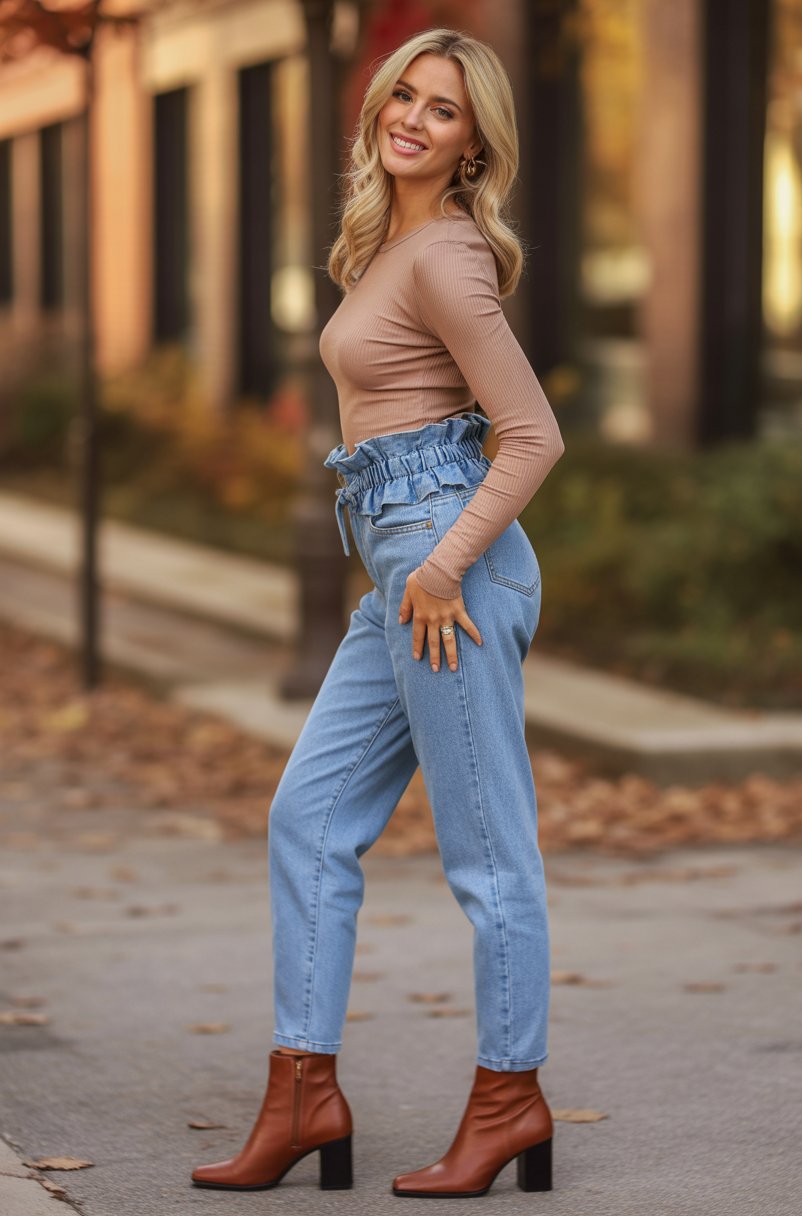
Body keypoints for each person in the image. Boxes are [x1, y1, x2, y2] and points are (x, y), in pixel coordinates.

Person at [191, 26, 565, 1200]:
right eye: (404, 93)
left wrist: (446, 566)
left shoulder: (447, 255)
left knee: (488, 855)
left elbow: (535, 435)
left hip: (446, 573)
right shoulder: (389, 244)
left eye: (443, 109)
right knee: (306, 820)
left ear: (471, 144)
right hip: (399, 569)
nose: (412, 115)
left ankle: (509, 1100)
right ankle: (303, 1091)